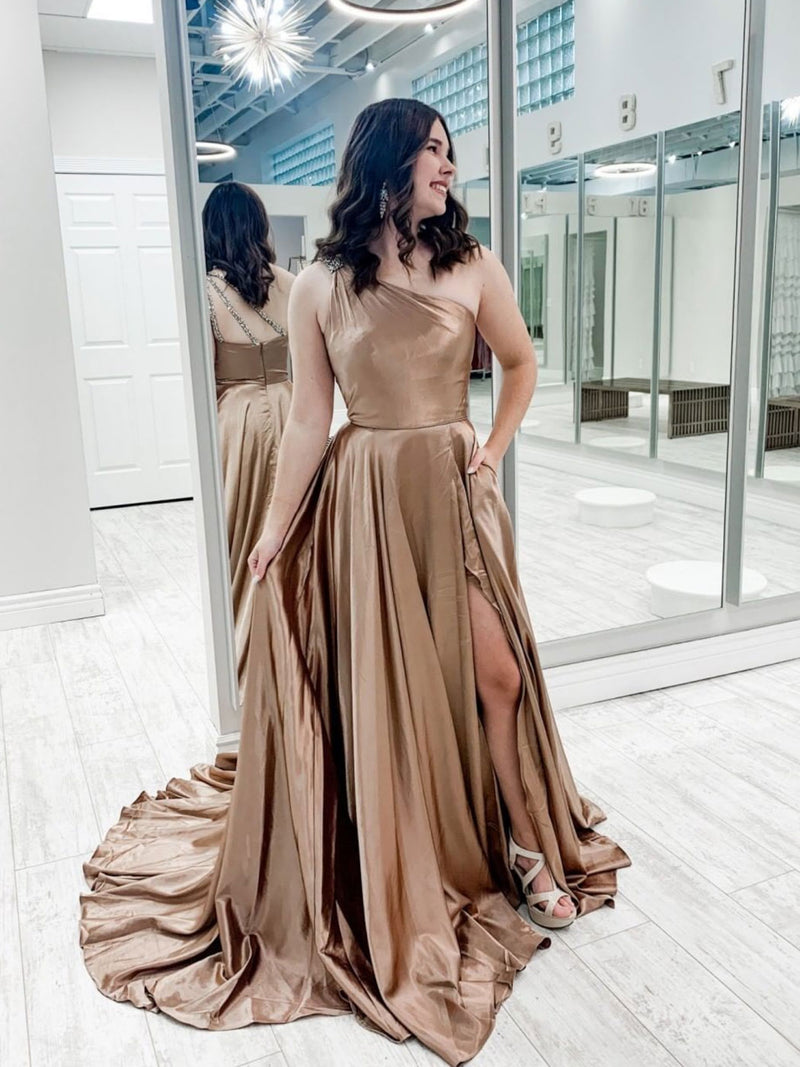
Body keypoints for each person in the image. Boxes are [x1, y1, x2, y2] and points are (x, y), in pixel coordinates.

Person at [80, 99, 630, 1067]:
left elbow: (519, 363)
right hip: (367, 497)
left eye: (450, 152)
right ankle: (405, 860)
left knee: (496, 674)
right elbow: (308, 418)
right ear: (386, 162)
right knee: (392, 695)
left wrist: (491, 451)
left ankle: (524, 843)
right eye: (432, 151)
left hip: (451, 494)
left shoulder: (472, 263)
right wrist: (272, 530)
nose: (447, 167)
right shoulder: (320, 286)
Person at [203, 181, 294, 689]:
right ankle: (293, 639)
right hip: (290, 407)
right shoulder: (290, 283)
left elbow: (204, 377)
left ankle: (246, 649)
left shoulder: (207, 292)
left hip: (237, 421)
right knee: (294, 530)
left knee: (242, 536)